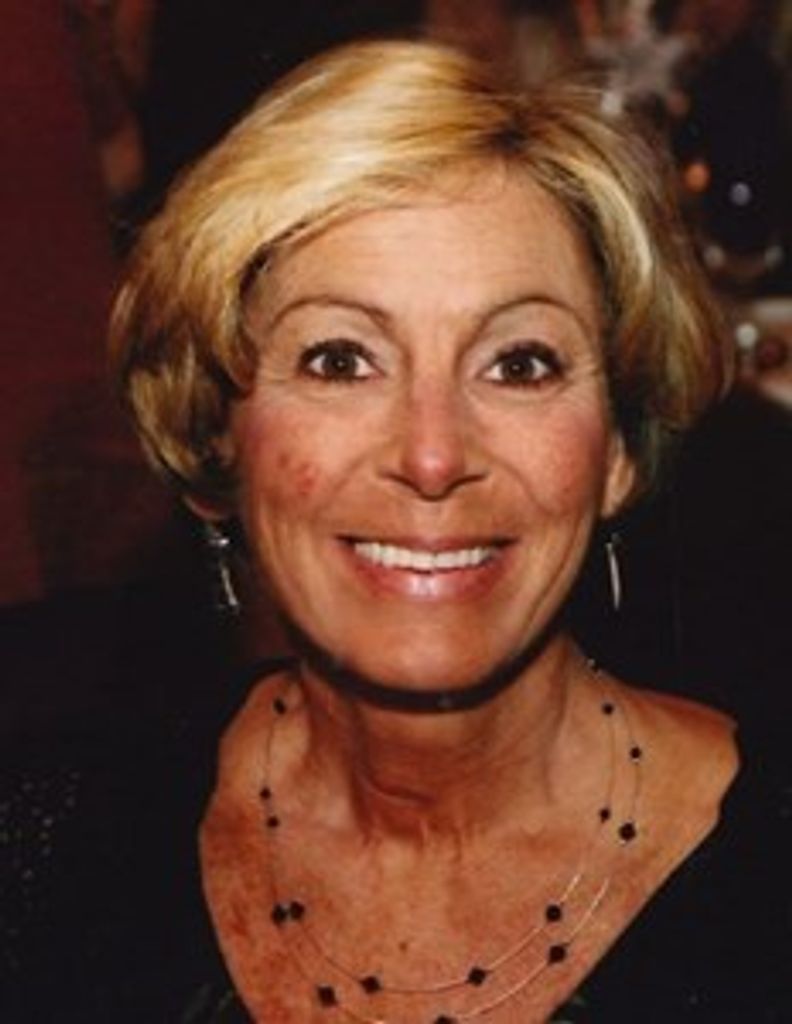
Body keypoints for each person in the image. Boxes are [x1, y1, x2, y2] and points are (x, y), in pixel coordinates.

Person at [6, 39, 789, 1023]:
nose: (431, 455)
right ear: (216, 435)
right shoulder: (50, 852)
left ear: (618, 453)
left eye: (519, 364)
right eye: (340, 360)